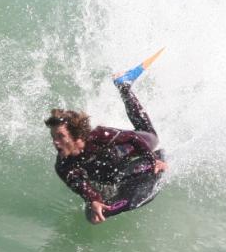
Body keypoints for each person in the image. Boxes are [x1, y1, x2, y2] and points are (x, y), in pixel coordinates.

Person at [45, 73, 168, 224]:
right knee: (92, 217)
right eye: (53, 137)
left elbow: (132, 138)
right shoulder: (63, 166)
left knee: (151, 136)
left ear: (75, 135)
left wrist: (153, 159)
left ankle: (124, 87)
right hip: (110, 176)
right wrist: (94, 200)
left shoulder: (99, 135)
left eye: (60, 136)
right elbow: (82, 187)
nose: (55, 142)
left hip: (128, 153)